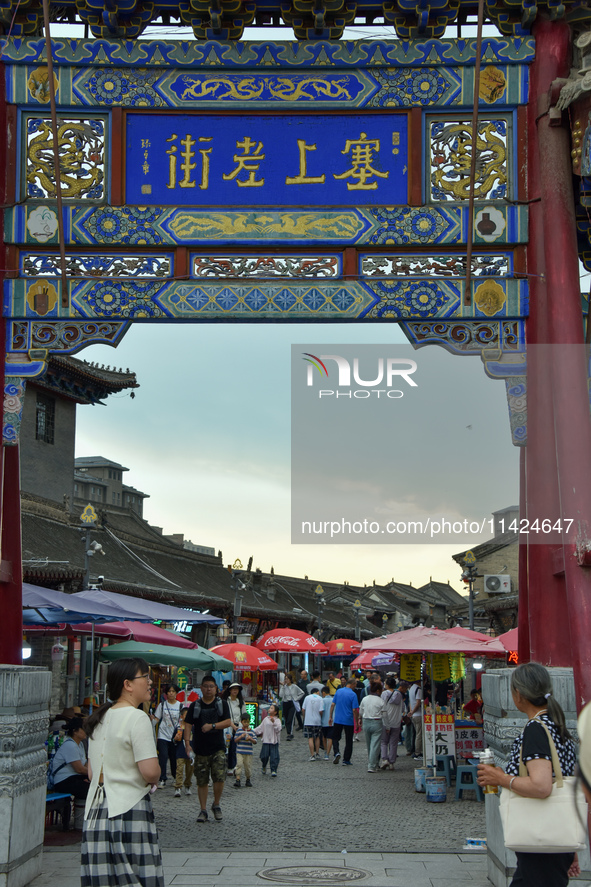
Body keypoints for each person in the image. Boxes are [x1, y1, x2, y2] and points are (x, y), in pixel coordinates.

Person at [477, 662, 578, 887]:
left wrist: (501, 779)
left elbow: (541, 786)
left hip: (541, 839)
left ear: (518, 694)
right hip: (553, 836)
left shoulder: (536, 729)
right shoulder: (555, 723)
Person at [81, 658, 163, 887]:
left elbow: (91, 771)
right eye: (145, 677)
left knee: (103, 878)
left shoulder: (99, 718)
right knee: (135, 877)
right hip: (129, 806)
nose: (150, 682)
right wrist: (155, 776)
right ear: (127, 684)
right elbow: (150, 772)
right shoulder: (137, 717)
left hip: (96, 810)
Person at [184, 675, 232, 823]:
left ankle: (216, 804)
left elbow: (228, 722)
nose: (208, 689)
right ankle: (203, 809)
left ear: (216, 688)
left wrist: (212, 726)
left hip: (218, 747)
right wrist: (187, 743)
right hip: (200, 748)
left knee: (219, 776)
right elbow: (187, 724)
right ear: (201, 688)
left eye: (211, 686)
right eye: (205, 686)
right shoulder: (195, 705)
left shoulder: (222, 704)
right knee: (202, 780)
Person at [51, 716, 90, 799]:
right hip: (63, 781)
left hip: (74, 777)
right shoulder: (70, 745)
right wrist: (92, 774)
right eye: (83, 728)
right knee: (91, 790)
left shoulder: (80, 744)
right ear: (75, 731)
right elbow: (79, 769)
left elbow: (85, 764)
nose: (86, 731)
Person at [151, 684, 182, 788]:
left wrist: (180, 733)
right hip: (163, 734)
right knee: (163, 756)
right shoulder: (162, 705)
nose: (171, 693)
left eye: (173, 691)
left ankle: (174, 776)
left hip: (174, 735)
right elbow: (157, 718)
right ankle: (162, 778)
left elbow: (181, 722)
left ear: (176, 693)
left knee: (174, 757)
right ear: (166, 693)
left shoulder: (180, 706)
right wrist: (148, 724)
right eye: (169, 691)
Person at [329, 677, 360, 765]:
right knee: (349, 740)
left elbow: (332, 704)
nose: (355, 687)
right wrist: (357, 721)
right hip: (348, 720)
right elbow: (354, 710)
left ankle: (336, 752)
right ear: (352, 684)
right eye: (355, 685)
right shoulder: (353, 695)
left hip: (338, 719)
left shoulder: (338, 691)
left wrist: (330, 716)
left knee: (335, 738)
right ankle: (346, 759)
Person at [380, 678, 408, 770]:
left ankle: (384, 760)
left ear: (387, 685)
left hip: (386, 721)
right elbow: (403, 708)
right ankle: (392, 762)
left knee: (384, 742)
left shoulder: (384, 694)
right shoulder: (399, 695)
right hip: (396, 722)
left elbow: (381, 706)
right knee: (393, 743)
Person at [221, 683, 246, 775]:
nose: (235, 691)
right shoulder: (226, 701)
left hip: (238, 727)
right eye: (233, 689)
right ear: (230, 690)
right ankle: (227, 766)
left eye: (237, 689)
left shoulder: (241, 702)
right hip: (227, 727)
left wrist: (242, 726)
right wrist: (232, 725)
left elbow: (244, 715)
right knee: (227, 746)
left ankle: (233, 766)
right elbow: (224, 716)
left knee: (235, 748)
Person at [359, 681, 384, 772]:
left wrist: (360, 719)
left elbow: (361, 712)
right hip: (377, 722)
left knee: (369, 745)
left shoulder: (365, 699)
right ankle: (372, 766)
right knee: (375, 745)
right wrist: (388, 726)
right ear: (378, 690)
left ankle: (374, 763)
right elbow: (384, 714)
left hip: (366, 722)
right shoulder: (380, 700)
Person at [255, 704, 282, 776]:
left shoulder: (277, 720)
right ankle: (264, 765)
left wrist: (274, 723)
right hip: (266, 741)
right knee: (264, 756)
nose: (269, 709)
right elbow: (260, 728)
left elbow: (278, 729)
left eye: (272, 708)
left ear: (275, 712)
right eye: (270, 708)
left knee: (274, 757)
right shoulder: (266, 719)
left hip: (274, 741)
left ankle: (273, 769)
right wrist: (252, 731)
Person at [173, 707, 193, 797]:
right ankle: (178, 787)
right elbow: (173, 741)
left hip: (190, 753)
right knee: (179, 770)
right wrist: (175, 739)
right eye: (186, 715)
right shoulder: (178, 727)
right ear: (182, 716)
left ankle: (188, 785)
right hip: (180, 752)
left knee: (189, 771)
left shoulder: (193, 728)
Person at [234, 712, 257, 788]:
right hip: (240, 751)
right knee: (239, 765)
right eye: (244, 722)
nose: (246, 724)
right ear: (241, 722)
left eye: (247, 722)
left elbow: (255, 741)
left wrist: (250, 739)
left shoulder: (252, 732)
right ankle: (238, 779)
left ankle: (248, 779)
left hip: (248, 752)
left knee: (247, 766)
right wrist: (241, 736)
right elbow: (235, 740)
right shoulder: (239, 731)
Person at [279, 674, 305, 741]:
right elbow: (280, 695)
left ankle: (289, 734)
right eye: (285, 679)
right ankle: (289, 733)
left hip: (292, 703)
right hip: (285, 703)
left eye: (287, 679)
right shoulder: (284, 687)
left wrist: (296, 698)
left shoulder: (294, 687)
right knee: (286, 718)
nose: (286, 680)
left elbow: (302, 693)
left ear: (290, 680)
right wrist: (283, 686)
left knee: (290, 719)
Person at [302, 685, 324, 760]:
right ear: (317, 692)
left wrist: (304, 717)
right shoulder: (320, 698)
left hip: (308, 720)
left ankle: (312, 755)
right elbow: (321, 710)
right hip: (317, 720)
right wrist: (321, 717)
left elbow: (303, 709)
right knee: (317, 737)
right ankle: (317, 753)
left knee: (310, 737)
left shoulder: (307, 698)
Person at [409, 679, 423, 760]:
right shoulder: (418, 689)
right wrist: (413, 711)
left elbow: (411, 702)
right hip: (418, 714)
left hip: (414, 715)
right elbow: (418, 703)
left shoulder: (411, 688)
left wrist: (411, 712)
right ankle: (418, 752)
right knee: (419, 734)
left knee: (417, 733)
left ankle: (417, 751)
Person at [320, 686, 333, 759]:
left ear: (324, 693)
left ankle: (325, 750)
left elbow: (321, 710)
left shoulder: (322, 700)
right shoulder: (333, 700)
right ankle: (328, 753)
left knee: (324, 737)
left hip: (324, 721)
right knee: (330, 738)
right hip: (332, 721)